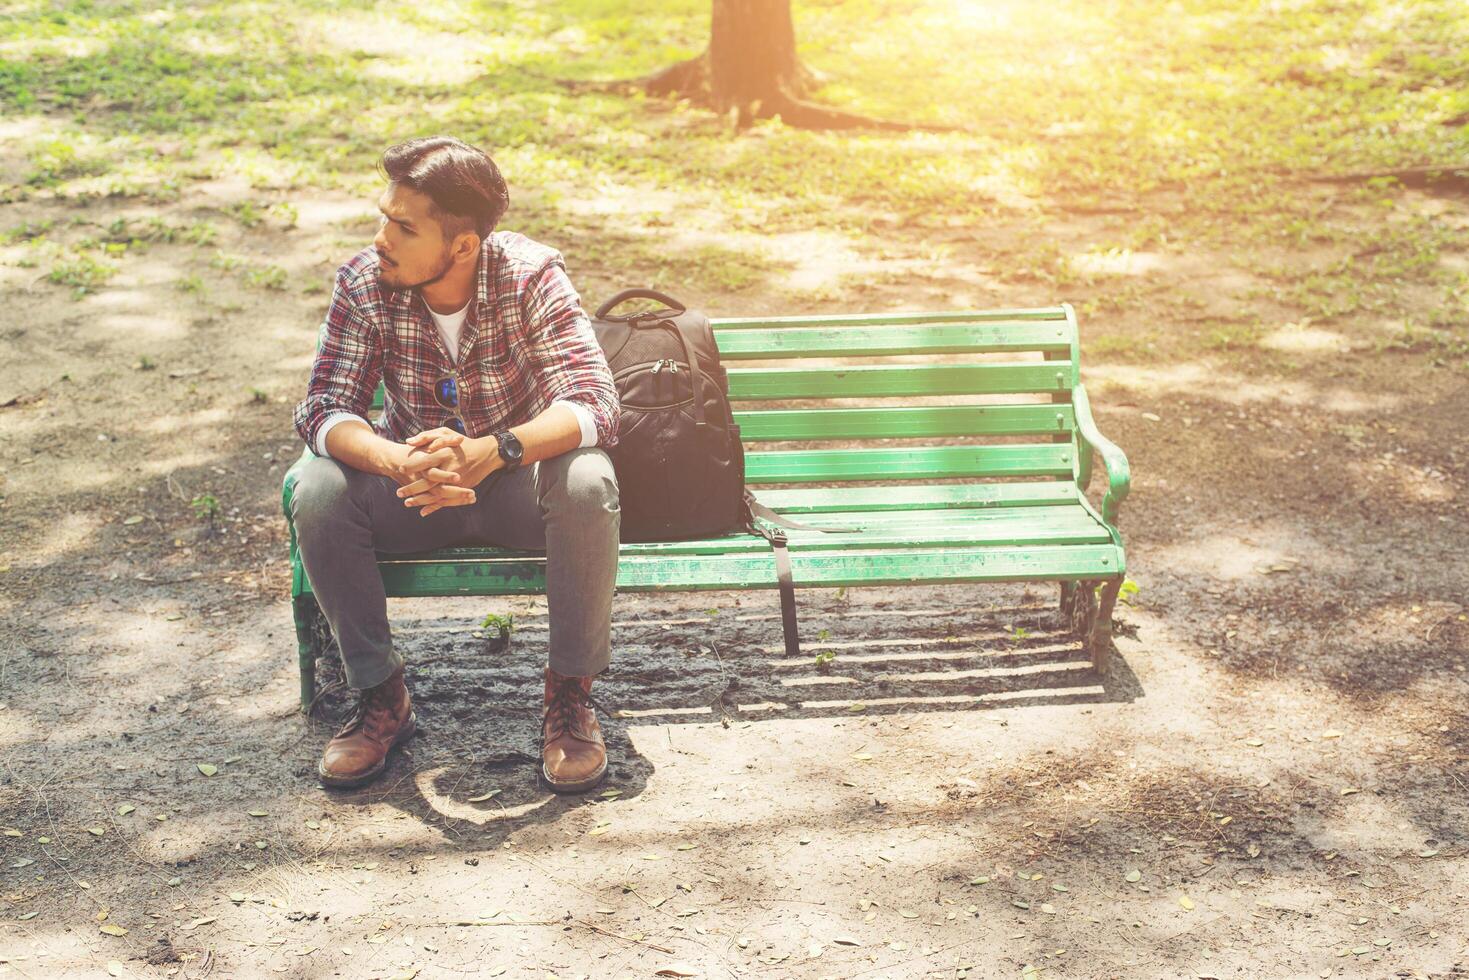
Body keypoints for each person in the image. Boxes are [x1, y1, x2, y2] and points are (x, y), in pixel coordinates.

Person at [290, 136, 621, 793]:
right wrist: (392, 457)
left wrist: (492, 450)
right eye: (384, 216)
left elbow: (597, 405)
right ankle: (382, 697)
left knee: (587, 478)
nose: (383, 237)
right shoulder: (364, 280)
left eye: (404, 227)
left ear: (463, 246)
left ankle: (569, 699)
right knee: (318, 486)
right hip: (414, 491)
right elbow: (323, 408)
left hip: (515, 489)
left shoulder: (529, 274)